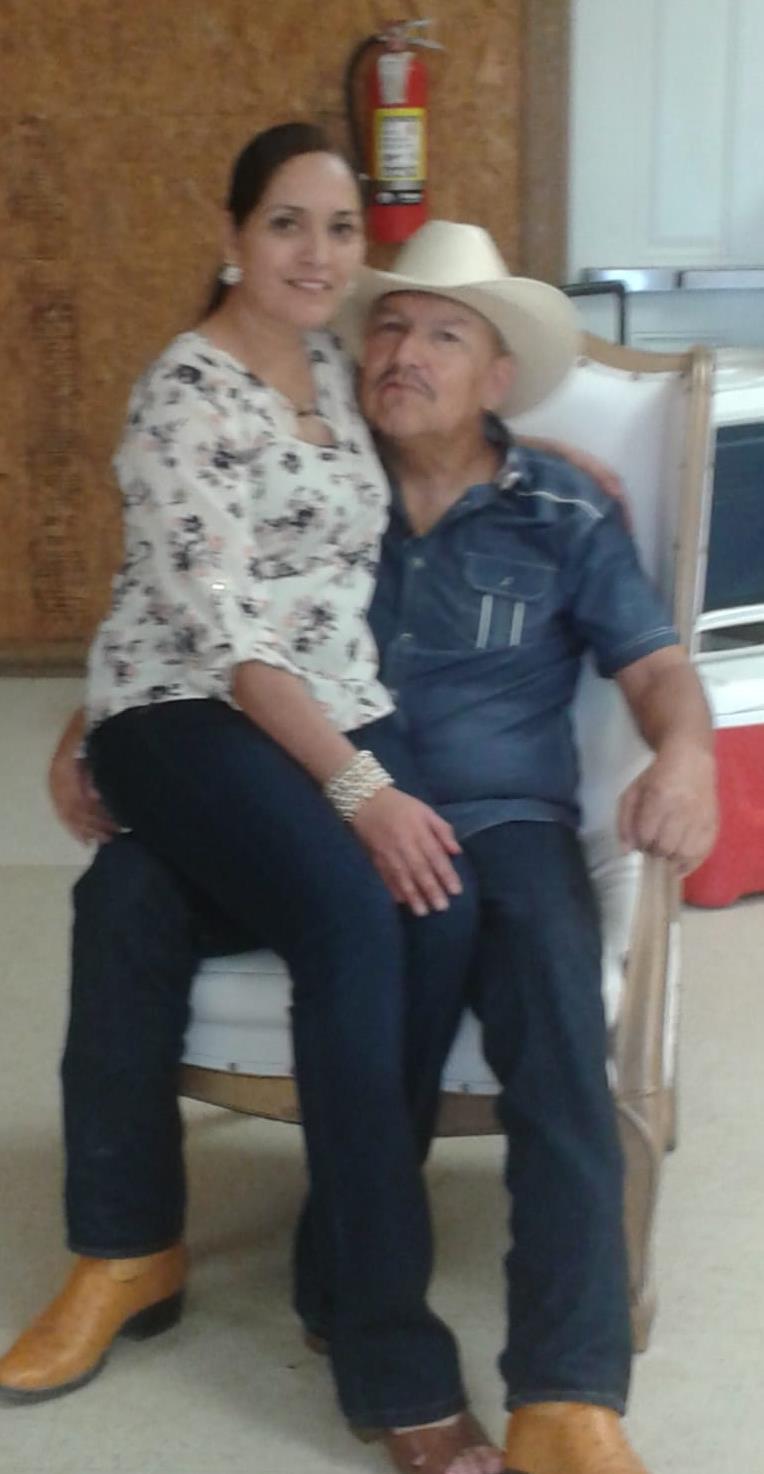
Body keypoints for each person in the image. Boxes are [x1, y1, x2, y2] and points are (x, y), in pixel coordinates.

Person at [3, 211, 718, 1474]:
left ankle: (563, 1391)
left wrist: (688, 751)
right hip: (308, 813)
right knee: (125, 892)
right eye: (387, 324)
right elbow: (187, 597)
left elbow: (653, 666)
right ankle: (124, 1249)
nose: (402, 352)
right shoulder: (318, 480)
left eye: (443, 334)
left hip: (495, 828)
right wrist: (93, 716)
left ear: (496, 377)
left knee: (554, 1003)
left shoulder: (561, 508)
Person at [0, 127, 509, 1474]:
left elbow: (439, 434)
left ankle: (317, 1260)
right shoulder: (182, 393)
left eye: (339, 229)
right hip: (188, 713)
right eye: (287, 223)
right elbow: (222, 635)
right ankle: (395, 1362)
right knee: (351, 907)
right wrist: (359, 790)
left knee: (433, 905)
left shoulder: (335, 367)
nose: (317, 254)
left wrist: (549, 472)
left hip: (324, 698)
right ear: (232, 237)